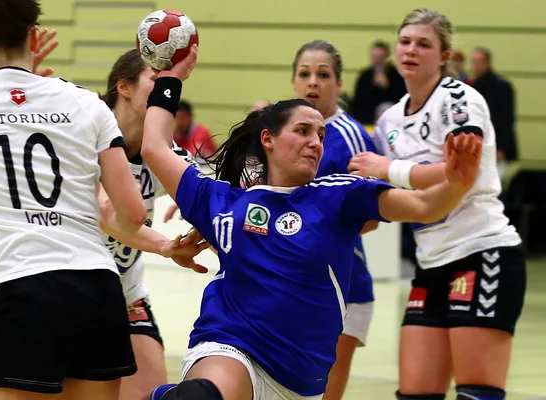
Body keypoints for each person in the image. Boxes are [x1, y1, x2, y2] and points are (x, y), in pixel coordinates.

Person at [142, 44, 482, 400]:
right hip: (230, 348)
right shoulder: (224, 201)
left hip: (300, 382)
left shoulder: (338, 195)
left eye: (320, 135)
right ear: (268, 139)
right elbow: (155, 148)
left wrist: (456, 185)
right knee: (202, 396)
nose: (315, 142)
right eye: (303, 131)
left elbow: (424, 206)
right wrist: (170, 78)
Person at [0, 0, 151, 398]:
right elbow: (132, 213)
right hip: (99, 289)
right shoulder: (87, 103)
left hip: (25, 287)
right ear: (35, 37)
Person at [347, 8, 525, 400]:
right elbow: (388, 185)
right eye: (405, 41)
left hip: (481, 251)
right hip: (431, 264)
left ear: (443, 56)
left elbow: (461, 170)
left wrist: (388, 169)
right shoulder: (390, 119)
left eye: (424, 44)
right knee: (415, 393)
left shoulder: (459, 98)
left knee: (476, 393)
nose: (411, 50)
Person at [97, 48, 210, 400]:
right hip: (74, 287)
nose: (165, 89)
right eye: (155, 79)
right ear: (124, 87)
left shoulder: (163, 154)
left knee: (151, 393)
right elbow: (108, 214)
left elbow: (214, 193)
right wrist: (165, 245)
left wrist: (205, 215)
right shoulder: (86, 136)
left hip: (127, 295)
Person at [290, 39, 378, 400]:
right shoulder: (280, 131)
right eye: (305, 74)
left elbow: (372, 215)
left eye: (323, 75)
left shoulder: (353, 137)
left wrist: (314, 234)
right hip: (288, 280)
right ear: (293, 81)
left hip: (344, 287)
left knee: (322, 392)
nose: (313, 82)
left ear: (339, 84)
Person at [350, 41, 407, 125]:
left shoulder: (396, 75)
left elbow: (402, 99)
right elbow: (358, 100)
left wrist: (387, 87)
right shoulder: (365, 75)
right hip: (367, 117)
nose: (377, 61)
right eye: (375, 57)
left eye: (381, 58)